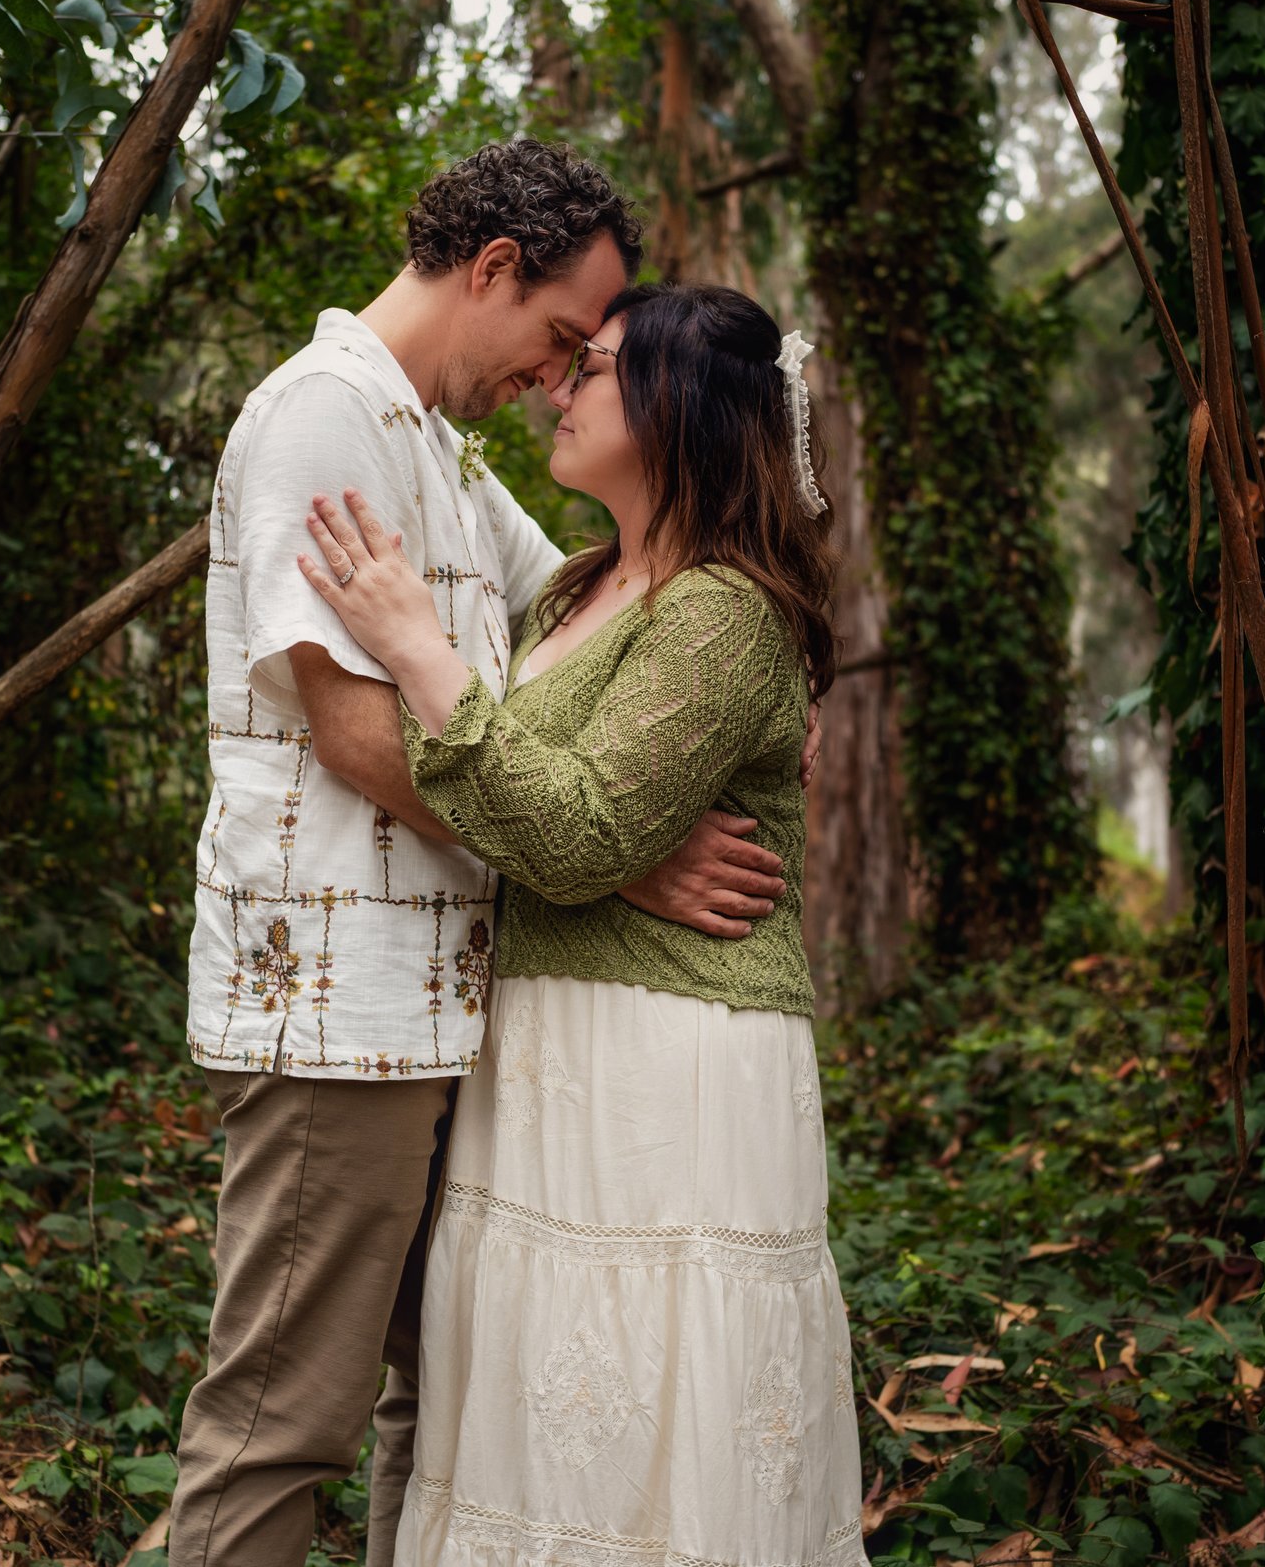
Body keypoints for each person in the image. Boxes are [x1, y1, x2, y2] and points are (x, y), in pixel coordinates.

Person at [171, 140, 800, 1567]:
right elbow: (351, 729)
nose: (555, 378)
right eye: (560, 338)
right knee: (281, 1420)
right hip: (337, 1003)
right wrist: (612, 858)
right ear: (494, 269)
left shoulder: (430, 446)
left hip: (437, 1008)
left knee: (443, 1407)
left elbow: (614, 594)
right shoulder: (322, 418)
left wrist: (759, 701)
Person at [301, 281, 869, 1566]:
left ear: (677, 407)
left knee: (655, 1432)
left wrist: (413, 642)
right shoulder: (574, 591)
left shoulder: (725, 617)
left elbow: (565, 830)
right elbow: (551, 825)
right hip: (546, 1058)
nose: (559, 387)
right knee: (541, 1426)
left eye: (594, 367)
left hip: (668, 1067)